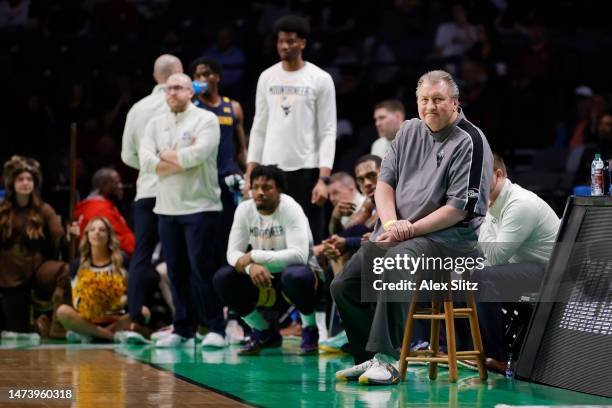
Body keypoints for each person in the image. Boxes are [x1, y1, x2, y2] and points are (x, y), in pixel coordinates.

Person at [332, 70, 493, 385]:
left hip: (451, 243)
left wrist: (409, 229)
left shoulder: (470, 141)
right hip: (403, 234)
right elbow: (383, 185)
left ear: (455, 102)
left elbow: (458, 210)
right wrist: (391, 223)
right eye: (424, 100)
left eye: (438, 100)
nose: (430, 106)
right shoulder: (407, 131)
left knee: (397, 261)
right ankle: (367, 359)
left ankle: (388, 360)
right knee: (345, 284)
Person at [139, 72, 225, 348]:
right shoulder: (155, 123)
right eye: (168, 89)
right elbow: (146, 160)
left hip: (201, 205)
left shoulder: (206, 120)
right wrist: (176, 159)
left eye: (178, 88)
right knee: (175, 270)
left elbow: (197, 156)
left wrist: (165, 154)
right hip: (166, 207)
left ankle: (215, 328)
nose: (172, 93)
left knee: (201, 268)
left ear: (191, 92)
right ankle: (183, 328)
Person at [245, 15, 337, 243]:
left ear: (303, 43)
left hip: (307, 169)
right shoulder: (267, 77)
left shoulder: (320, 78)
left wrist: (323, 179)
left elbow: (328, 131)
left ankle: (313, 279)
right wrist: (250, 172)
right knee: (273, 237)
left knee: (309, 238)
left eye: (291, 41)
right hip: (270, 170)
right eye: (281, 41)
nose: (285, 46)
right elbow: (258, 128)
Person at [213, 165, 320, 355]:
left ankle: (310, 328)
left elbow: (299, 256)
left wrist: (255, 256)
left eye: (267, 187)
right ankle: (263, 331)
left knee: (296, 275)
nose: (260, 192)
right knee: (223, 278)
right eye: (255, 187)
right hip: (262, 277)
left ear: (278, 190)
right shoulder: (244, 209)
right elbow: (232, 254)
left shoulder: (290, 208)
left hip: (296, 278)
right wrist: (250, 268)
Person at [474, 152, 560, 372]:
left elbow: (495, 257)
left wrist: (478, 215)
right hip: (520, 267)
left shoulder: (520, 204)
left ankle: (497, 356)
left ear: (499, 175)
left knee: (481, 276)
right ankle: (466, 349)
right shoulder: (494, 201)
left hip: (549, 272)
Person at [121, 54, 183, 335]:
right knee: (178, 256)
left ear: (154, 76)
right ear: (178, 74)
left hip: (146, 190)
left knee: (141, 256)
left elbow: (127, 156)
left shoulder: (137, 108)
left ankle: (135, 319)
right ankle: (185, 321)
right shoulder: (184, 105)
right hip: (177, 192)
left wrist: (150, 166)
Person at [0, 156, 78, 338]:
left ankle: (59, 325)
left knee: (65, 271)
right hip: (8, 274)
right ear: (13, 183)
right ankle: (38, 324)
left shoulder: (44, 210)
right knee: (17, 330)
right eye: (21, 179)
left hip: (37, 269)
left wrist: (69, 236)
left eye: (29, 179)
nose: (26, 183)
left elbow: (59, 239)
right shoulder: (3, 210)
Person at [189, 56, 248, 266]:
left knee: (229, 234)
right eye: (197, 75)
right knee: (204, 238)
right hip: (202, 181)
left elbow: (241, 149)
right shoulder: (191, 107)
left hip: (228, 179)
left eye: (206, 74)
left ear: (217, 77)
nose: (202, 79)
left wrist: (248, 174)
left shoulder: (233, 107)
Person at [56, 217, 150, 342]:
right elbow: (76, 301)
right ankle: (110, 336)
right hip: (88, 319)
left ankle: (92, 335)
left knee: (144, 311)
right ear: (87, 235)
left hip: (116, 318)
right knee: (62, 311)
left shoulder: (122, 260)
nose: (97, 232)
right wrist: (95, 299)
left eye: (102, 230)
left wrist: (118, 299)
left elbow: (132, 292)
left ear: (109, 235)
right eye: (92, 229)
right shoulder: (78, 263)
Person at [75, 168, 135, 257]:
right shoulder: (100, 209)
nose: (121, 186)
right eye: (117, 182)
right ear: (104, 185)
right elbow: (118, 241)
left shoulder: (91, 204)